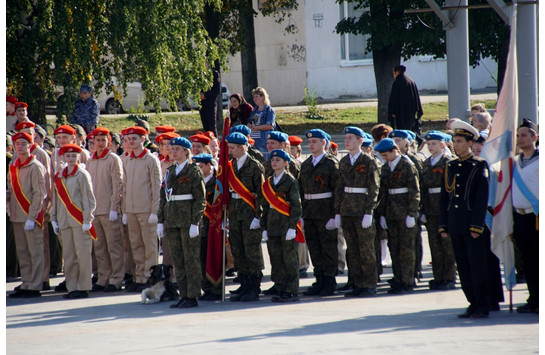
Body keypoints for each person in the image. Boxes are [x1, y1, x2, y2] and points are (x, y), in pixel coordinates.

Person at [439, 120, 490, 319]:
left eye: (459, 141)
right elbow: (445, 198)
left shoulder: (478, 165)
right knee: (463, 266)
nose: (456, 144)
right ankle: (472, 302)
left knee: (477, 265)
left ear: (470, 142)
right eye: (454, 140)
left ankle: (483, 304)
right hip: (455, 223)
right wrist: (443, 224)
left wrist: (476, 226)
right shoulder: (450, 165)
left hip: (471, 224)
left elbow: (481, 199)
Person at [157, 137, 206, 309]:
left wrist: (195, 222)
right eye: (173, 148)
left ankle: (192, 295)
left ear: (186, 151)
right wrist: (160, 221)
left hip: (187, 221)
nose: (174, 151)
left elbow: (200, 199)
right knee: (178, 259)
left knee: (191, 259)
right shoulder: (170, 171)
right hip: (172, 220)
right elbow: (164, 198)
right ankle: (183, 294)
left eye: (178, 148)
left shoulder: (194, 171)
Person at [335, 127, 380, 297]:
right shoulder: (344, 161)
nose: (346, 141)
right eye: (345, 138)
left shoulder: (369, 162)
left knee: (366, 249)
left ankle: (369, 284)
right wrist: (337, 212)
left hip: (362, 211)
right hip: (347, 210)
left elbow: (374, 188)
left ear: (360, 141)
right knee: (352, 250)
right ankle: (357, 283)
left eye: (350, 138)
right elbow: (339, 188)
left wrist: (369, 211)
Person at [51, 144, 97, 299]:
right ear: (63, 157)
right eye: (68, 156)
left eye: (74, 156)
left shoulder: (82, 174)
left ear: (79, 157)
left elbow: (88, 198)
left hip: (79, 220)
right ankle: (72, 287)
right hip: (64, 220)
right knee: (69, 256)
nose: (70, 159)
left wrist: (87, 219)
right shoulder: (59, 176)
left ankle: (83, 286)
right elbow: (55, 199)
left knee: (82, 254)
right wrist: (54, 218)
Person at [375, 138, 420, 294]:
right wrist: (382, 215)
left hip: (405, 212)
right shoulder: (386, 168)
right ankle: (398, 278)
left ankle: (407, 281)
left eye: (386, 155)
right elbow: (383, 194)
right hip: (391, 214)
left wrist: (412, 214)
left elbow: (415, 192)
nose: (384, 158)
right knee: (394, 248)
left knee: (407, 249)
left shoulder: (407, 165)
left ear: (395, 151)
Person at [299, 129, 340, 297]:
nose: (311, 144)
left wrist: (335, 214)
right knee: (315, 249)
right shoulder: (306, 163)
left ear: (324, 143)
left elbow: (338, 190)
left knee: (328, 248)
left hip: (325, 211)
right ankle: (320, 280)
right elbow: (301, 190)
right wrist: (301, 213)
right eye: (309, 142)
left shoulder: (331, 163)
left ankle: (329, 281)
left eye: (314, 141)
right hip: (310, 212)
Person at [225, 132, 265, 302]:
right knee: (238, 250)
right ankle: (244, 284)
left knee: (251, 251)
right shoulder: (229, 165)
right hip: (235, 212)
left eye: (232, 148)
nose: (230, 151)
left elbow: (261, 193)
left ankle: (254, 287)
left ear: (242, 148)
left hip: (249, 213)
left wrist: (259, 215)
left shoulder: (255, 166)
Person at [121, 126, 162, 292]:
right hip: (131, 209)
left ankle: (149, 277)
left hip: (146, 210)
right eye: (129, 139)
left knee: (149, 246)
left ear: (143, 139)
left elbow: (156, 187)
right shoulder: (126, 159)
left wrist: (154, 211)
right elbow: (124, 187)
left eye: (135, 138)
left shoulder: (151, 160)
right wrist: (124, 210)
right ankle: (139, 277)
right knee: (136, 245)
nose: (131, 142)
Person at [7, 132, 47, 298]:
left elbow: (40, 194)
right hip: (16, 215)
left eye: (24, 143)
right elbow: (11, 189)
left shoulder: (36, 166)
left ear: (30, 146)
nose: (20, 147)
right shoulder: (14, 166)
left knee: (35, 251)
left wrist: (32, 217)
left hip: (31, 216)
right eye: (17, 144)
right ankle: (26, 282)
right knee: (23, 252)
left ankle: (35, 285)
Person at [86, 127, 125, 292]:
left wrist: (114, 207)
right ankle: (103, 277)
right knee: (99, 247)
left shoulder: (113, 159)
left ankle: (116, 279)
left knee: (114, 246)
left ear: (109, 142)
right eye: (97, 140)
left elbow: (118, 184)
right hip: (95, 211)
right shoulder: (90, 161)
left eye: (104, 140)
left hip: (109, 210)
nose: (100, 143)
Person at [261, 149, 303, 302]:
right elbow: (265, 207)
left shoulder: (290, 181)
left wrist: (293, 226)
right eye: (272, 159)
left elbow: (296, 206)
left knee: (289, 259)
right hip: (272, 226)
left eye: (278, 160)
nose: (274, 162)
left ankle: (291, 290)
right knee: (276, 258)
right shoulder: (269, 182)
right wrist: (264, 227)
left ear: (286, 163)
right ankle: (280, 287)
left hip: (286, 225)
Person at [420, 131, 456, 290]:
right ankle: (438, 276)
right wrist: (422, 210)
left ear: (443, 144)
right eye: (428, 144)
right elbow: (422, 188)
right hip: (430, 208)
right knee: (434, 245)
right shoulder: (426, 163)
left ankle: (449, 277)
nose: (430, 146)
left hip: (445, 207)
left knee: (447, 245)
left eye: (434, 143)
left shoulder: (449, 162)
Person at [511, 118, 539, 314]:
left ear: (534, 137)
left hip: (537, 217)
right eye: (518, 135)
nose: (520, 139)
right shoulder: (514, 163)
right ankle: (534, 298)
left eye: (524, 135)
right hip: (520, 218)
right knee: (528, 261)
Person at [192, 153, 223, 301]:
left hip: (214, 226)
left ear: (209, 165)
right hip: (199, 225)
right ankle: (206, 287)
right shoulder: (195, 180)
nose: (198, 168)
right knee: (201, 258)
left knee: (214, 257)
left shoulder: (218, 182)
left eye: (201, 165)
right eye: (197, 165)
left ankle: (216, 288)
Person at [387, 65, 423, 136]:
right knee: (410, 128)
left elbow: (394, 98)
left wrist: (392, 111)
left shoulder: (398, 82)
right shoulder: (410, 80)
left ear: (396, 72)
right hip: (411, 110)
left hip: (401, 111)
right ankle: (418, 140)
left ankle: (408, 143)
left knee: (403, 130)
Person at [248, 87, 276, 154]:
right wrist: (249, 126)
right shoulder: (254, 110)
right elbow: (249, 122)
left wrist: (257, 128)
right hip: (252, 141)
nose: (255, 99)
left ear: (263, 97)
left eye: (257, 96)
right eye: (254, 97)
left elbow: (270, 126)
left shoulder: (269, 110)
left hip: (263, 141)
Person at [199, 69, 221, 136]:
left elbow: (216, 91)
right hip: (201, 103)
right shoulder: (198, 72)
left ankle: (214, 143)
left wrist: (205, 95)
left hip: (210, 103)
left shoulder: (214, 73)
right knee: (205, 126)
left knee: (211, 127)